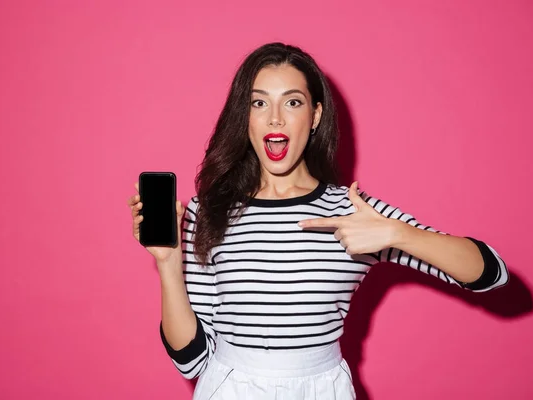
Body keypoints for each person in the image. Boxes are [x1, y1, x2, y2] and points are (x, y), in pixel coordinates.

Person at [127, 42, 509, 400]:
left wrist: (398, 233)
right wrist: (168, 264)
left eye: (292, 102)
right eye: (259, 103)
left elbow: (491, 272)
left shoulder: (356, 213)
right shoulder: (206, 212)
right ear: (245, 116)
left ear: (315, 115)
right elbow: (190, 361)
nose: (275, 117)